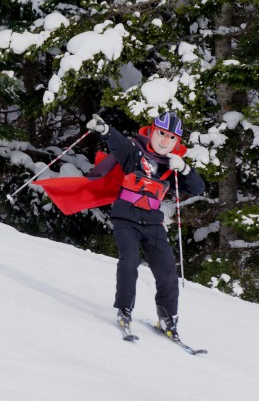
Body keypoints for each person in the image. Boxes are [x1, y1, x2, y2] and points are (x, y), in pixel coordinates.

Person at [85, 111, 205, 340]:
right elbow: (118, 144)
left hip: (152, 222)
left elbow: (198, 188)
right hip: (125, 218)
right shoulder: (135, 151)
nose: (164, 141)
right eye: (161, 134)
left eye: (171, 138)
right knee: (129, 261)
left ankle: (167, 319)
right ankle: (124, 310)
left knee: (167, 269)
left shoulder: (173, 164)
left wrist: (186, 169)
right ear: (152, 131)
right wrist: (105, 130)